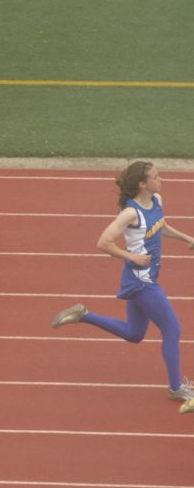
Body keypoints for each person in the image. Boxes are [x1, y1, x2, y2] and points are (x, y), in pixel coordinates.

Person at [51, 161, 194, 409]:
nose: (161, 180)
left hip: (147, 277)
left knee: (134, 334)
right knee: (173, 329)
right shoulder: (131, 213)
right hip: (141, 281)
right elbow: (103, 242)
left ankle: (83, 315)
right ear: (142, 184)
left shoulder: (157, 200)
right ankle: (175, 388)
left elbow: (161, 225)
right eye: (156, 177)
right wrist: (132, 257)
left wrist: (186, 238)